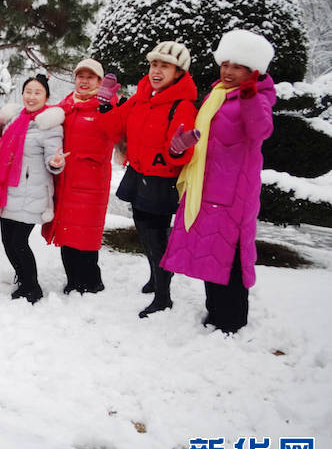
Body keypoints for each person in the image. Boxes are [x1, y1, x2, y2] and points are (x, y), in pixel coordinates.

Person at [162, 29, 276, 333]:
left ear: (253, 71)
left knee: (232, 258)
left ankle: (232, 321)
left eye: (236, 67)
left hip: (233, 196)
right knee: (210, 255)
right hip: (206, 189)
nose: (227, 71)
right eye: (225, 64)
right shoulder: (216, 96)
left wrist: (250, 96)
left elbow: (260, 131)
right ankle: (215, 314)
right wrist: (181, 144)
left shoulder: (258, 98)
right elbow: (205, 142)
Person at [98, 40, 198, 319]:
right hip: (139, 173)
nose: (156, 70)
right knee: (144, 234)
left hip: (160, 181)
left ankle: (163, 296)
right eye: (154, 64)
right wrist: (104, 105)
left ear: (178, 72)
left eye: (164, 66)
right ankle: (156, 277)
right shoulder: (143, 97)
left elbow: (181, 153)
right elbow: (114, 125)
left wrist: (178, 148)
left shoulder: (182, 105)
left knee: (156, 240)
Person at [0, 74, 67, 303]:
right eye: (28, 91)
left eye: (37, 92)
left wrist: (56, 163)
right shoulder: (13, 121)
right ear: (22, 94)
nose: (32, 96)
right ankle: (23, 280)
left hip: (31, 193)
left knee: (18, 242)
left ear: (46, 97)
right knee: (7, 242)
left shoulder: (49, 125)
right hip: (8, 191)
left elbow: (53, 159)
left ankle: (32, 287)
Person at [43, 58, 117, 294]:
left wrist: (107, 107)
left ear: (98, 81)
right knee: (66, 232)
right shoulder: (65, 106)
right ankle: (73, 281)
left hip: (91, 183)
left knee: (85, 235)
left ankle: (91, 282)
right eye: (80, 76)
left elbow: (116, 131)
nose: (84, 81)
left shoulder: (106, 106)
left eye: (90, 77)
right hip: (65, 181)